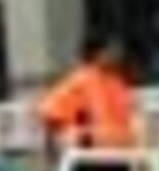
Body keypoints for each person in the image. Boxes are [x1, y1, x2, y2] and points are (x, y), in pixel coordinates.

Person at [36, 32, 143, 161]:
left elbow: (128, 117)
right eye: (112, 49)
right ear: (97, 53)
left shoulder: (117, 82)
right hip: (91, 157)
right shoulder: (81, 80)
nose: (118, 54)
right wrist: (58, 149)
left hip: (120, 155)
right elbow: (50, 113)